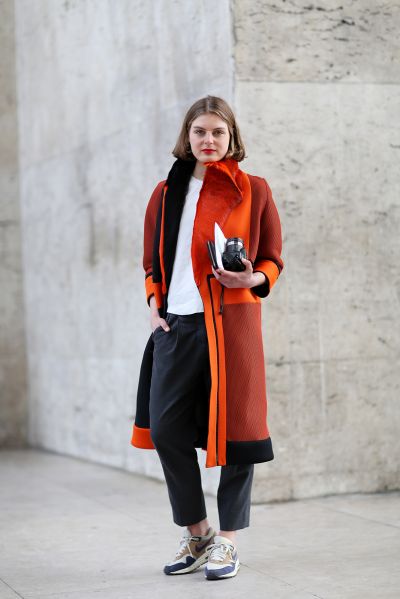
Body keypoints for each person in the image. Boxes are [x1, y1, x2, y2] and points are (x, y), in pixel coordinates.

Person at [131, 95, 284, 580]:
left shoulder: (254, 190)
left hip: (232, 324)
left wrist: (252, 279)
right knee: (166, 430)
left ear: (231, 137)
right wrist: (154, 304)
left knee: (240, 433)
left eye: (218, 131)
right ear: (188, 137)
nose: (209, 140)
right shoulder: (164, 193)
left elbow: (273, 258)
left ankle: (228, 542)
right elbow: (152, 262)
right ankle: (198, 534)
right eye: (200, 131)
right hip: (175, 326)